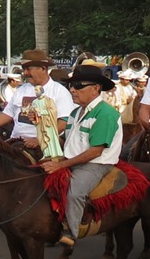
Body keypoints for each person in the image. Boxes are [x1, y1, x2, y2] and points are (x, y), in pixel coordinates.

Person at [42, 64, 122, 248]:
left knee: (75, 192)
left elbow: (95, 151)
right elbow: (68, 143)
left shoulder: (106, 114)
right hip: (71, 160)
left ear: (96, 88)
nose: (72, 89)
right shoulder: (75, 113)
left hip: (96, 164)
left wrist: (61, 165)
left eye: (78, 85)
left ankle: (72, 231)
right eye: (71, 85)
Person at [0, 49, 75, 149]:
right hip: (16, 142)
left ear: (43, 68)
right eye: (24, 69)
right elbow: (7, 114)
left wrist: (40, 140)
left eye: (28, 69)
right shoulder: (22, 90)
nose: (25, 73)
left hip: (46, 146)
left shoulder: (59, 91)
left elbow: (64, 122)